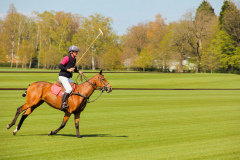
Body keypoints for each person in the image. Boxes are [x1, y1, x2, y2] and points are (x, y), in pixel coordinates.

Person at [59, 45, 83, 111]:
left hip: (68, 77)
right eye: (76, 52)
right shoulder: (67, 58)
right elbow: (60, 66)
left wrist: (78, 71)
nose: (77, 53)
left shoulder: (74, 59)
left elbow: (74, 69)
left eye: (77, 52)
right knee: (69, 89)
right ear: (71, 52)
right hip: (63, 76)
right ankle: (63, 103)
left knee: (75, 87)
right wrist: (68, 70)